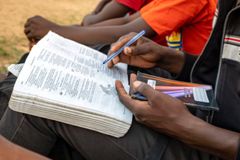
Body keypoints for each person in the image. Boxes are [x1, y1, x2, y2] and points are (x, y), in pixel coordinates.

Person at [0, 0, 239, 159]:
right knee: (34, 75)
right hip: (202, 103)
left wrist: (184, 125)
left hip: (207, 141)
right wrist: (172, 59)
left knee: (34, 103)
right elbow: (224, 76)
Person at [24, 0, 216, 55]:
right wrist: (61, 30)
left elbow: (128, 31)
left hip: (186, 80)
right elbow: (126, 22)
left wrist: (55, 31)